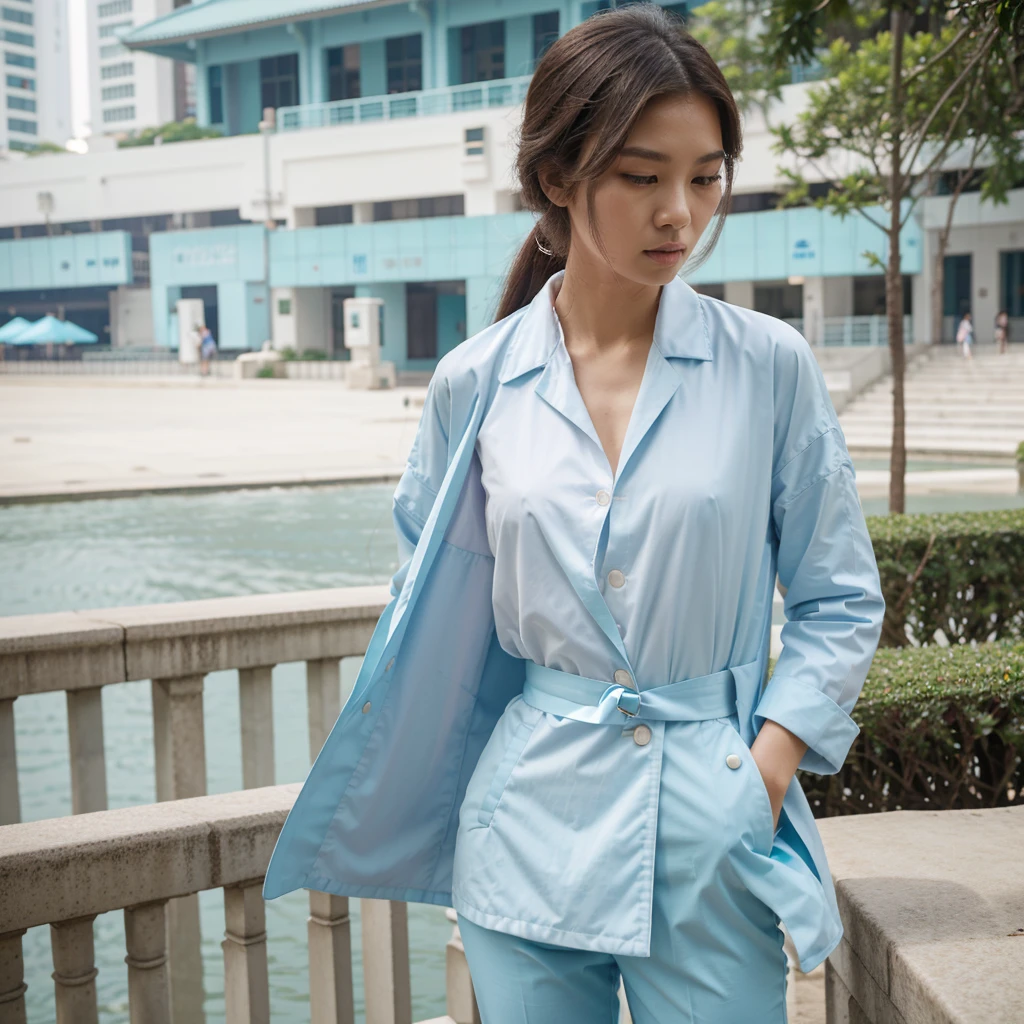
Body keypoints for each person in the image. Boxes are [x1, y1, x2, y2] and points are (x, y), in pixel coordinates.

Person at [262, 7, 886, 1022]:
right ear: (560, 177)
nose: (678, 211)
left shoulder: (768, 368)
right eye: (642, 176)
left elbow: (839, 599)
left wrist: (759, 774)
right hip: (526, 825)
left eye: (704, 175)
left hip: (710, 817)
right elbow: (429, 598)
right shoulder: (476, 381)